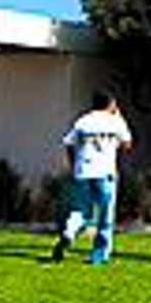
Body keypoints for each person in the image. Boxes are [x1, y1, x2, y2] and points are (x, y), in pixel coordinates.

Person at [52, 90, 131, 266]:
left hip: (83, 172)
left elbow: (68, 144)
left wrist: (74, 164)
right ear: (110, 104)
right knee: (105, 215)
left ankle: (69, 232)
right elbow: (127, 144)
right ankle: (99, 255)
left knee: (81, 211)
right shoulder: (115, 122)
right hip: (105, 173)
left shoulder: (83, 121)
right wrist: (119, 116)